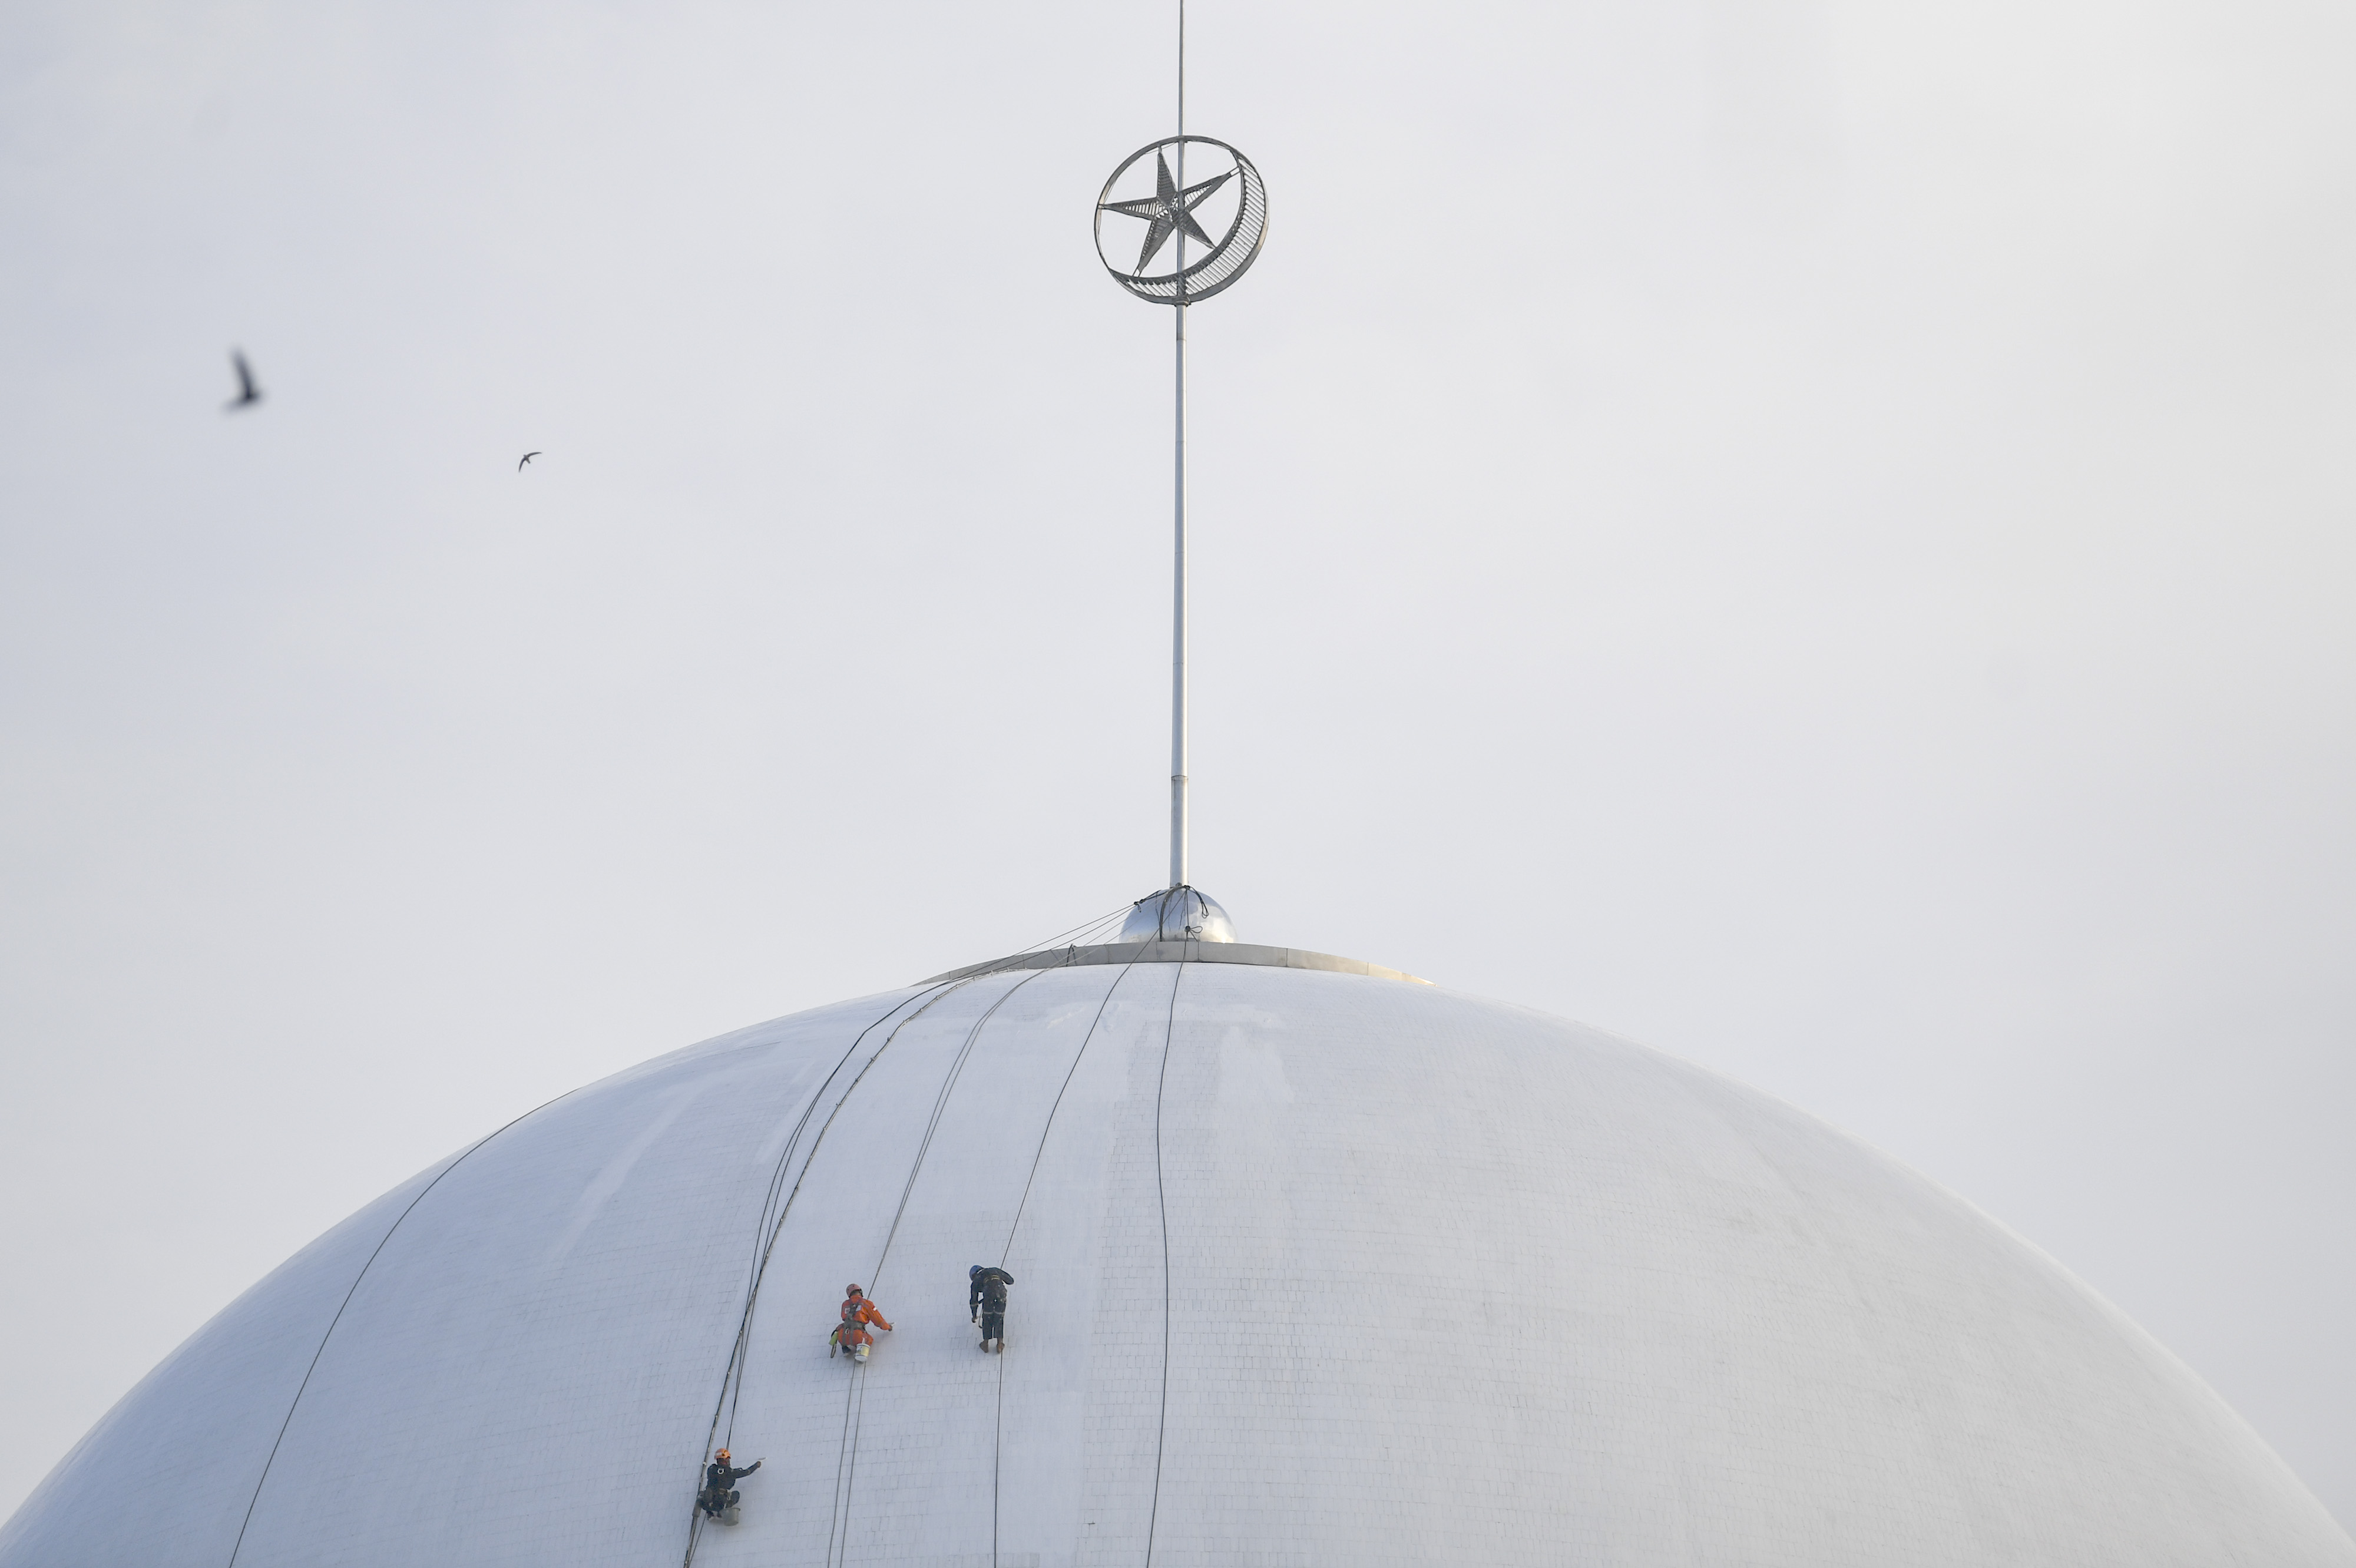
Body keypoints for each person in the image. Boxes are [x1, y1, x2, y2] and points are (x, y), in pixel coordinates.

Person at [832, 1285, 893, 1364]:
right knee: (869, 1339)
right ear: (860, 1292)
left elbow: (844, 1317)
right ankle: (860, 1355)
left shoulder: (845, 1304)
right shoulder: (866, 1303)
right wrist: (888, 1327)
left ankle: (845, 1349)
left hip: (842, 1335)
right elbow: (878, 1320)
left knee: (843, 1334)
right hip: (858, 1336)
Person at [699, 1448, 762, 1520]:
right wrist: (756, 1465)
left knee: (705, 1494)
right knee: (736, 1494)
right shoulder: (731, 1472)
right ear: (726, 1460)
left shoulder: (711, 1469)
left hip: (708, 1503)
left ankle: (710, 1513)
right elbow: (747, 1472)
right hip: (721, 1503)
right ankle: (723, 1511)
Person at [968, 1264, 1014, 1352]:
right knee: (999, 1318)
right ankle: (1000, 1344)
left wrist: (974, 1316)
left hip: (988, 1297)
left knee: (987, 1318)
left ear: (974, 1276)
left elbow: (974, 1302)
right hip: (1001, 1295)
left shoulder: (976, 1281)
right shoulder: (995, 1270)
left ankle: (985, 1344)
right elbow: (1011, 1281)